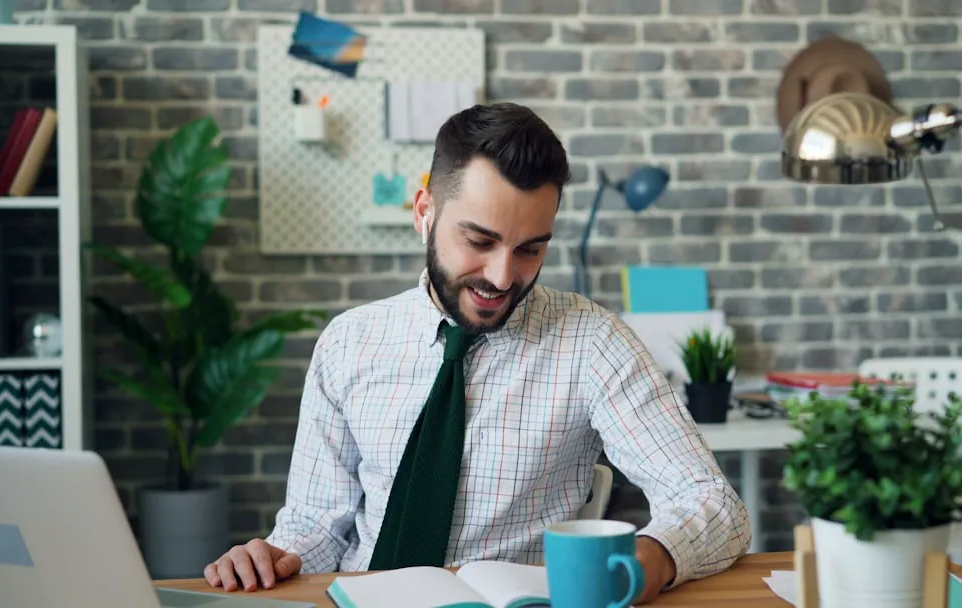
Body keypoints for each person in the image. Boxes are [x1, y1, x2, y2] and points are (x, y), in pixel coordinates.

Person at [204, 102, 750, 603]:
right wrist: (274, 557)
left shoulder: (594, 344)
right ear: (424, 212)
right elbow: (317, 524)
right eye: (480, 241)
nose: (502, 276)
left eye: (530, 249)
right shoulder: (348, 343)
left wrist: (642, 562)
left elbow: (713, 504)